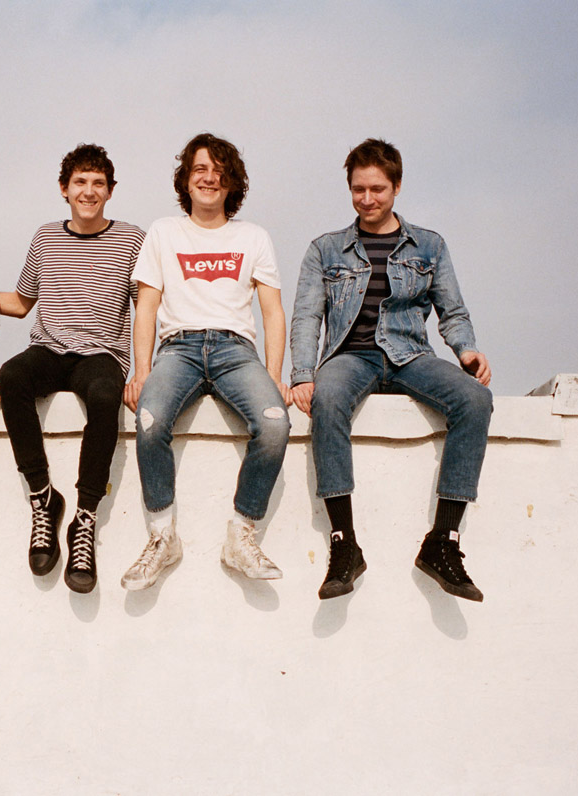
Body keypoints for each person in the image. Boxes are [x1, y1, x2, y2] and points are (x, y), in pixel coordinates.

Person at [289, 138, 493, 602]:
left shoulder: (430, 245)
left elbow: (452, 311)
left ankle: (443, 540)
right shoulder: (325, 249)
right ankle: (344, 543)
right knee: (327, 398)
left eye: (377, 189)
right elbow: (307, 316)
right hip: (351, 356)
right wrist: (303, 373)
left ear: (396, 187)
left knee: (475, 399)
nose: (367, 199)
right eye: (358, 189)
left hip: (409, 355)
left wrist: (467, 351)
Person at [121, 133, 292, 591]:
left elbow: (273, 311)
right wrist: (142, 371)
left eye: (219, 171)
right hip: (178, 348)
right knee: (150, 419)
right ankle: (162, 536)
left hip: (236, 351)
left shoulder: (253, 237)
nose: (209, 178)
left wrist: (274, 375)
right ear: (186, 179)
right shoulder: (163, 232)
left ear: (232, 182)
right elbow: (147, 306)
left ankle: (241, 534)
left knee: (274, 423)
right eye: (200, 169)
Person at [0, 144, 144, 593]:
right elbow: (21, 303)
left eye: (98, 183)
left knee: (103, 397)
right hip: (49, 349)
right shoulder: (45, 237)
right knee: (12, 377)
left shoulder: (132, 239)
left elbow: (147, 308)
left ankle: (85, 517)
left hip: (101, 355)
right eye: (80, 182)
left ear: (111, 191)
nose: (89, 191)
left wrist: (143, 372)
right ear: (64, 188)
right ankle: (43, 497)